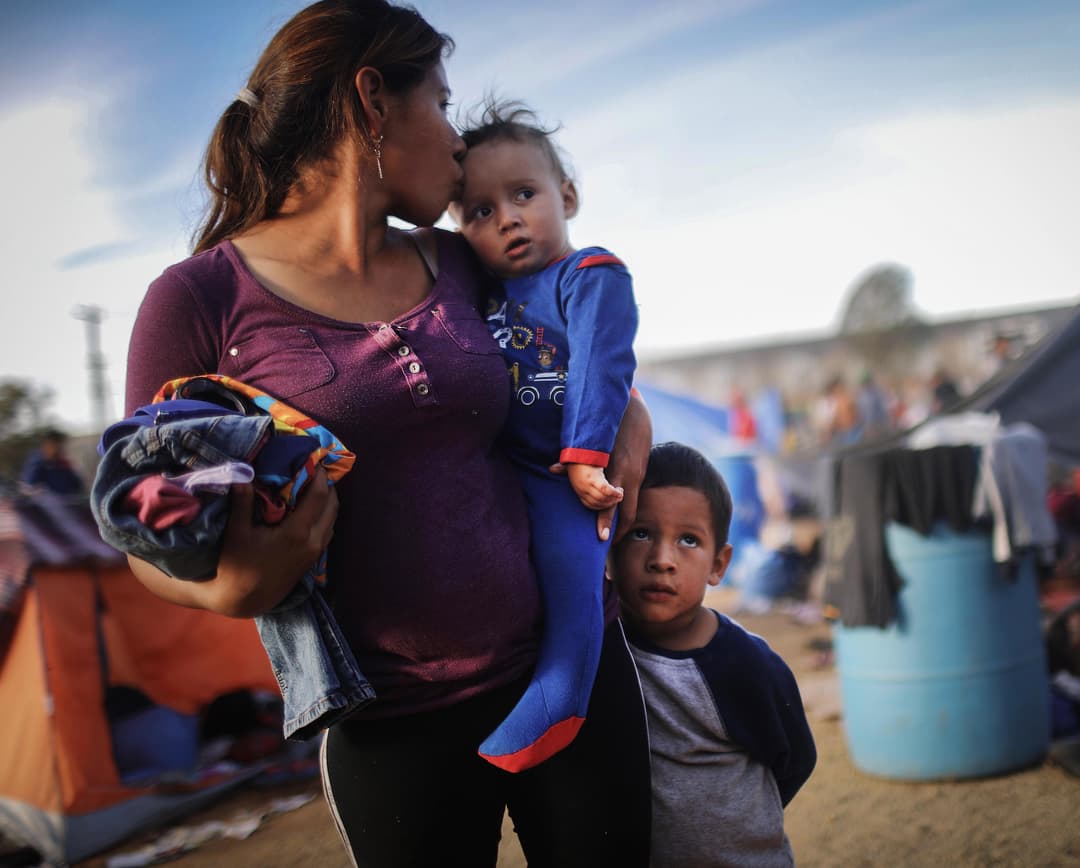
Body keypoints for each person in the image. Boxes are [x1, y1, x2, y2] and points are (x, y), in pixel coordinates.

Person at [121, 2, 651, 865]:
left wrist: (631, 412)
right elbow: (138, 531)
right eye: (439, 103)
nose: (455, 139)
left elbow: (567, 345)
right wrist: (229, 589)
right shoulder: (199, 302)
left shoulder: (458, 260)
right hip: (389, 721)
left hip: (569, 664)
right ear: (373, 100)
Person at [448, 101, 638, 770]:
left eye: (523, 194)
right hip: (505, 469)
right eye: (479, 211)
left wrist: (585, 459)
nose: (507, 218)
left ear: (568, 195)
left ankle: (564, 695)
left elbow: (600, 365)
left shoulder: (589, 276)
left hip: (564, 476)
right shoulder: (483, 295)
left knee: (572, 576)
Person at [611, 442, 817, 867]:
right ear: (610, 547)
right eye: (641, 533)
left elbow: (794, 759)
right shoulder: (602, 645)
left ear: (719, 565)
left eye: (688, 540)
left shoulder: (745, 664)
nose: (662, 560)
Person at [20, 428, 84, 495]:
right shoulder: (37, 460)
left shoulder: (62, 462)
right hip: (41, 500)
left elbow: (77, 485)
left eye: (59, 444)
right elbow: (29, 484)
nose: (58, 447)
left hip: (67, 499)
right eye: (54, 443)